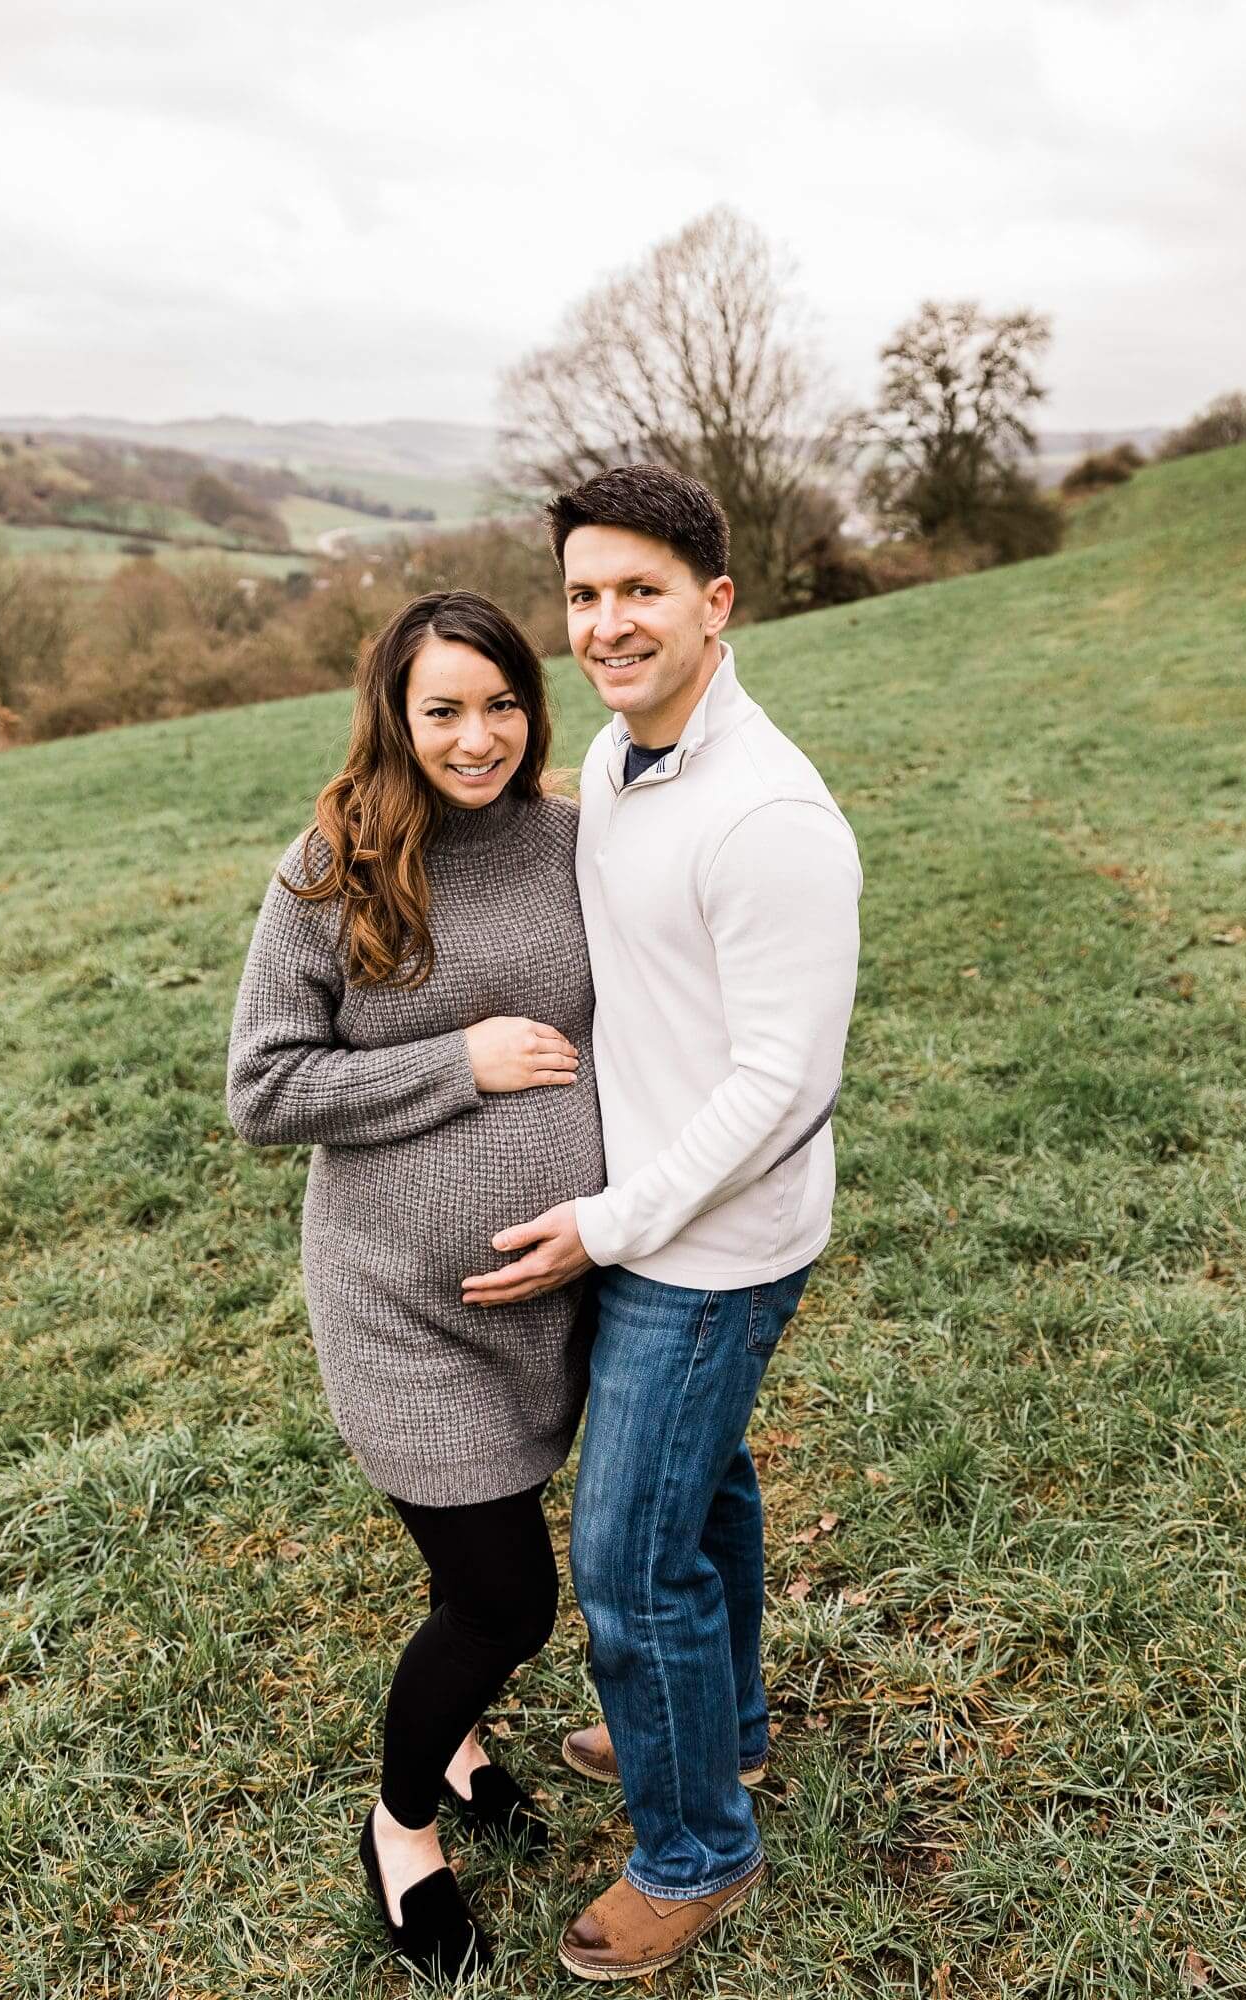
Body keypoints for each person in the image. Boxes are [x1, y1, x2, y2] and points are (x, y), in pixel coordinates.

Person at [462, 465, 862, 1981]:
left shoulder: (769, 815)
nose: (607, 624)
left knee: (631, 1560)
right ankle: (725, 1730)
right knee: (707, 1495)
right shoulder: (626, 762)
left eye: (641, 590)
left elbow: (784, 1082)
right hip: (651, 1217)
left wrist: (614, 1221)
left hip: (707, 1245)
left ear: (715, 601)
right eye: (583, 595)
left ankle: (696, 1849)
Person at [227, 590, 604, 1981]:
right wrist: (459, 1062)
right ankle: (401, 1828)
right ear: (394, 713)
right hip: (400, 1314)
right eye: (442, 709)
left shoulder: (574, 838)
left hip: (561, 1295)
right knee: (506, 1601)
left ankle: (455, 1741)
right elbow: (265, 1089)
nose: (476, 737)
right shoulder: (333, 867)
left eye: (501, 704)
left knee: (475, 1578)